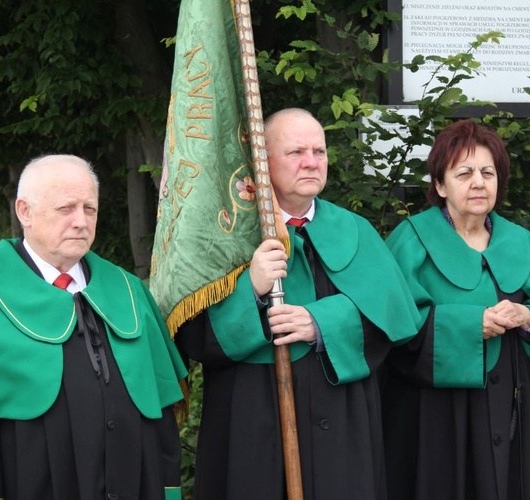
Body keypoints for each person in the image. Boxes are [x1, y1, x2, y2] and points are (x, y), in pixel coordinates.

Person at [176, 107, 419, 500]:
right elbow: (192, 335)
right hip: (251, 420)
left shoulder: (355, 230)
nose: (311, 162)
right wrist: (250, 287)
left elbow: (393, 321)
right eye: (296, 152)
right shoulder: (224, 232)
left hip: (343, 419)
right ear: (262, 160)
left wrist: (319, 323)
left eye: (319, 152)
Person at [0, 154, 188, 500]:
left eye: (89, 209)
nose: (81, 222)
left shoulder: (129, 292)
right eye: (66, 208)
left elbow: (161, 417)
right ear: (25, 212)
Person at [382, 120, 530, 499]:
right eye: (465, 173)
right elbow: (391, 331)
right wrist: (469, 325)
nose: (479, 182)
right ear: (441, 185)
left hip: (508, 399)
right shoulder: (411, 240)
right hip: (435, 412)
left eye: (488, 173)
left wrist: (528, 317)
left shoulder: (517, 239)